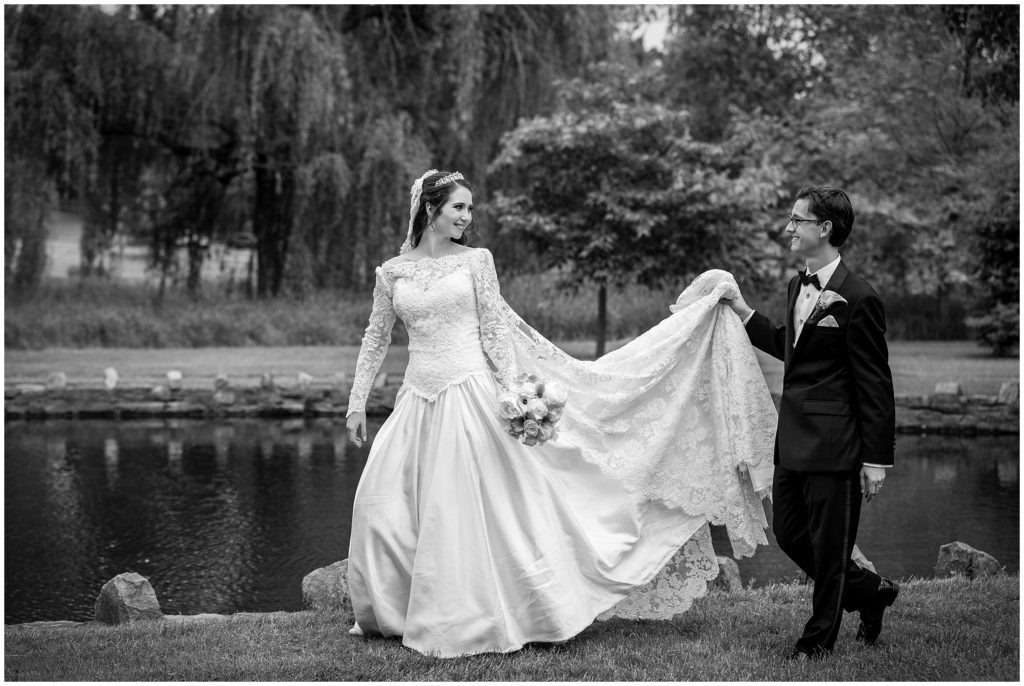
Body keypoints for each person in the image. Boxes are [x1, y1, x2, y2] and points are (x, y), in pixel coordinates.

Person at [344, 168, 778, 658]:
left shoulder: (476, 262)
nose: (467, 217)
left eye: (469, 208)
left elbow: (495, 335)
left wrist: (513, 399)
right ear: (430, 209)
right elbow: (376, 337)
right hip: (416, 400)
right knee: (383, 507)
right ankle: (396, 610)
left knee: (462, 510)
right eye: (458, 207)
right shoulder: (393, 272)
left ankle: (477, 613)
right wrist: (357, 402)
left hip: (470, 397)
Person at [723, 185, 898, 660]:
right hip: (793, 438)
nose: (789, 228)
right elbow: (791, 346)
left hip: (837, 444)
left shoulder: (859, 299)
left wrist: (876, 459)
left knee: (829, 544)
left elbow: (876, 384)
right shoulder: (795, 286)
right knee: (790, 535)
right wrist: (742, 312)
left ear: (826, 228)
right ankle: (870, 593)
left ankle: (816, 643)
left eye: (797, 220)